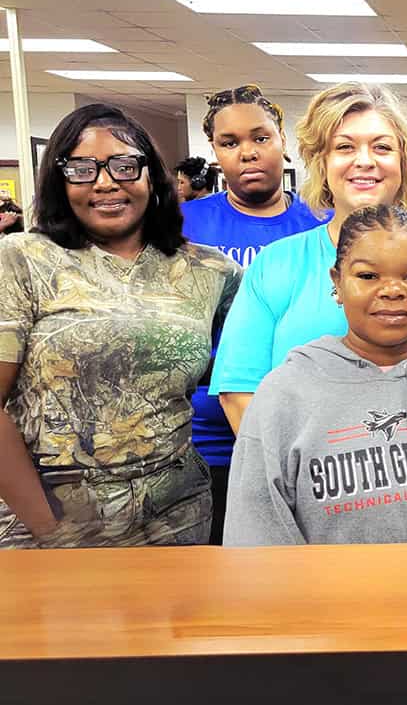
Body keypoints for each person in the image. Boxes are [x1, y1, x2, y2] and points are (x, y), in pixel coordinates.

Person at [0, 103, 240, 548]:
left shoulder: (210, 271)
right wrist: (51, 531)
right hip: (45, 517)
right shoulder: (21, 260)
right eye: (82, 169)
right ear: (59, 178)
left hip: (178, 513)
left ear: (151, 175)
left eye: (125, 166)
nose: (106, 182)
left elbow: (262, 355)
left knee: (181, 620)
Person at [210, 81, 407, 436]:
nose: (364, 161)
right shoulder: (276, 264)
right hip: (303, 483)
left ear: (403, 162)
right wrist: (298, 473)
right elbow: (240, 388)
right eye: (345, 147)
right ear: (323, 162)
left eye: (382, 147)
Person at [224, 205, 407, 546]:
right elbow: (256, 535)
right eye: (368, 276)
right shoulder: (282, 396)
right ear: (337, 281)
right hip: (311, 599)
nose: (393, 290)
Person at [181, 84, 320, 543]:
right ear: (215, 152)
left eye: (260, 138)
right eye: (230, 142)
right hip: (202, 438)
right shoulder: (183, 225)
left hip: (299, 435)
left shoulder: (316, 225)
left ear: (283, 140)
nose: (248, 153)